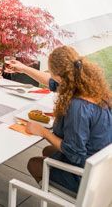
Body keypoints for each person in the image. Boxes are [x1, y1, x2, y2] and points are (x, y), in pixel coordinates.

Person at [8, 45, 112, 193]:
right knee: (48, 150)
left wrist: (43, 132)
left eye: (51, 72)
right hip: (104, 171)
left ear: (59, 76)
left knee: (34, 163)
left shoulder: (78, 107)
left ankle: (64, 196)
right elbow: (50, 82)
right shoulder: (89, 88)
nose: (51, 77)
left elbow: (74, 154)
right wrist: (24, 68)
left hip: (87, 180)